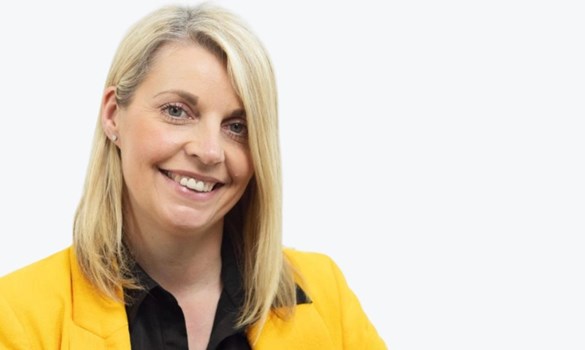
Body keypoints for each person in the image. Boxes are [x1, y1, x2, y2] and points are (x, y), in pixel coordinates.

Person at [0, 4, 386, 349]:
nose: (209, 151)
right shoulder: (18, 315)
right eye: (177, 111)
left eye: (237, 126)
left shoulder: (324, 294)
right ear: (114, 115)